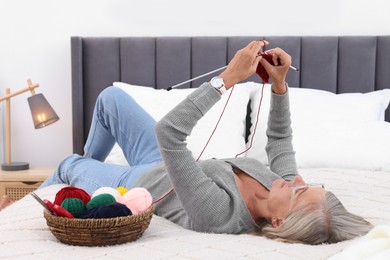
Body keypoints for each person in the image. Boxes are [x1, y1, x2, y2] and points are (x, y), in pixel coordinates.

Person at [39, 41, 373, 244]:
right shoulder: (280, 187)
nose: (297, 180)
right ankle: (91, 169)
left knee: (69, 164)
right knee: (110, 98)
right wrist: (279, 85)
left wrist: (227, 78)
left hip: (138, 183)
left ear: (279, 222)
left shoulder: (222, 216)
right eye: (309, 184)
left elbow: (169, 133)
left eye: (299, 191)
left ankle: (78, 181)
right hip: (161, 162)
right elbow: (281, 139)